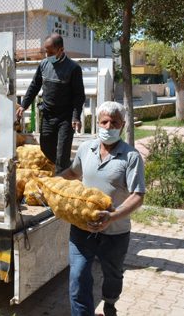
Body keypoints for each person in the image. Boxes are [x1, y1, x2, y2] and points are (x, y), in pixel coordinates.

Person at [56, 101, 146, 316]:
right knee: (78, 276)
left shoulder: (131, 157)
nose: (108, 127)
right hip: (83, 227)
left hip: (115, 232)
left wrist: (112, 216)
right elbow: (72, 173)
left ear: (122, 125)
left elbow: (138, 195)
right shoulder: (87, 148)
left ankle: (109, 304)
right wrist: (49, 182)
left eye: (114, 122)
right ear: (97, 123)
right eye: (104, 122)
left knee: (113, 275)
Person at [16, 33, 85, 174]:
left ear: (61, 50)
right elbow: (34, 86)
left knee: (61, 154)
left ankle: (62, 180)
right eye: (45, 51)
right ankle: (68, 168)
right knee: (45, 148)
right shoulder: (44, 64)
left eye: (50, 52)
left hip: (65, 118)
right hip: (48, 115)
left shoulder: (73, 68)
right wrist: (24, 105)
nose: (47, 54)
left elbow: (79, 95)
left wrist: (76, 116)